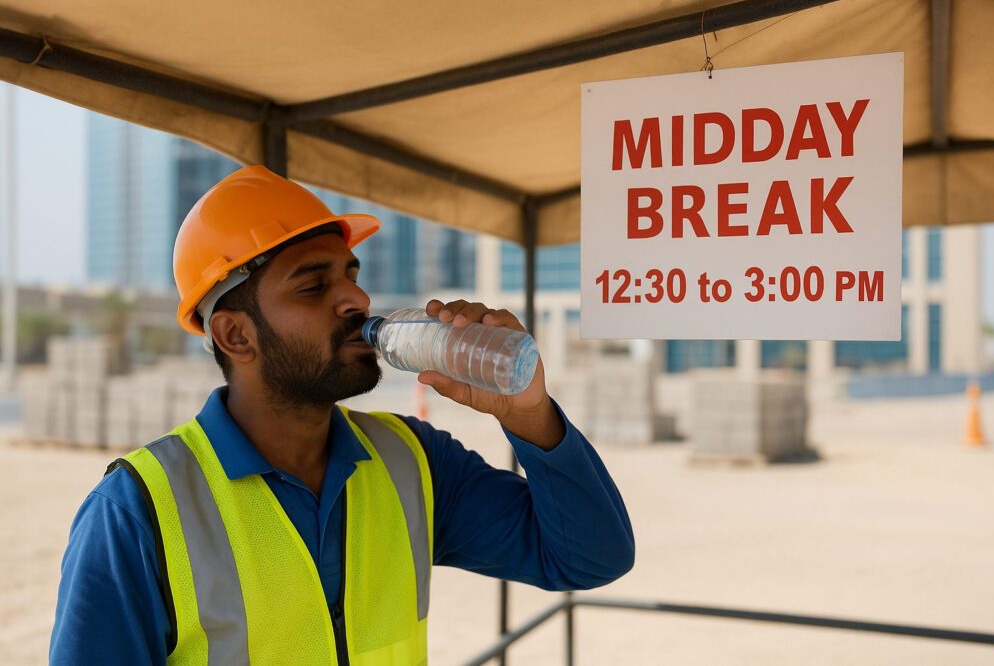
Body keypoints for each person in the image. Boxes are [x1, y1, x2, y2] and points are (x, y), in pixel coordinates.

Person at [50, 166, 634, 664]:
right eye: (313, 286)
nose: (357, 300)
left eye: (351, 275)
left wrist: (529, 413)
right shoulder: (138, 511)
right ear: (235, 335)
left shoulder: (412, 461)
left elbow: (589, 558)